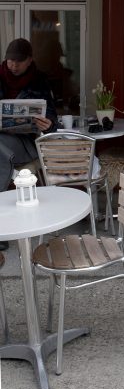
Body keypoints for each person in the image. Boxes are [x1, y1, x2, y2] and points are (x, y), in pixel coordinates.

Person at [0, 38, 58, 247]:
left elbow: (52, 117)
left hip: (26, 143)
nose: (13, 65)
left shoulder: (40, 81)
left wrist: (48, 123)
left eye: (18, 61)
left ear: (29, 60)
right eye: (9, 61)